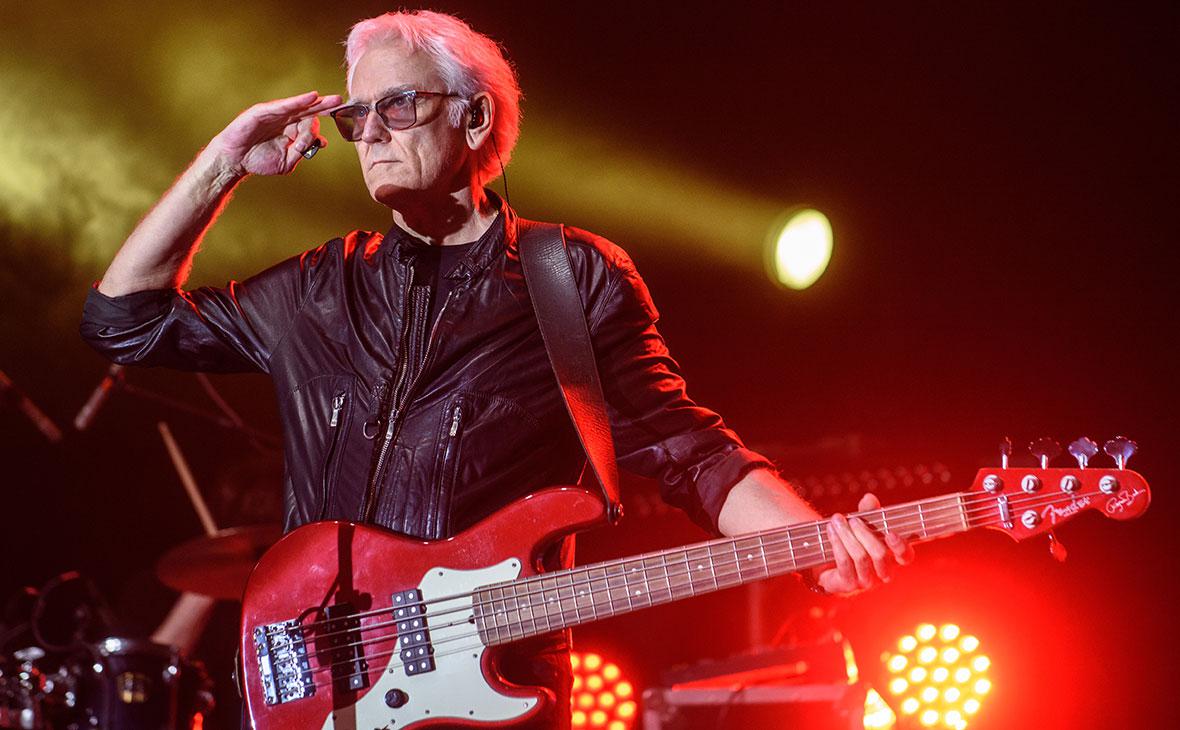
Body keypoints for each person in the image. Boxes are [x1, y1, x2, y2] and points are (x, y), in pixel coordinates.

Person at [80, 9, 913, 728]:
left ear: (475, 118)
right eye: (357, 116)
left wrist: (817, 548)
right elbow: (121, 322)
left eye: (397, 106)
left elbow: (691, 455)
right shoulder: (318, 289)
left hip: (493, 691)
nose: (370, 133)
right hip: (325, 691)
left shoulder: (570, 279)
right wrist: (224, 160)